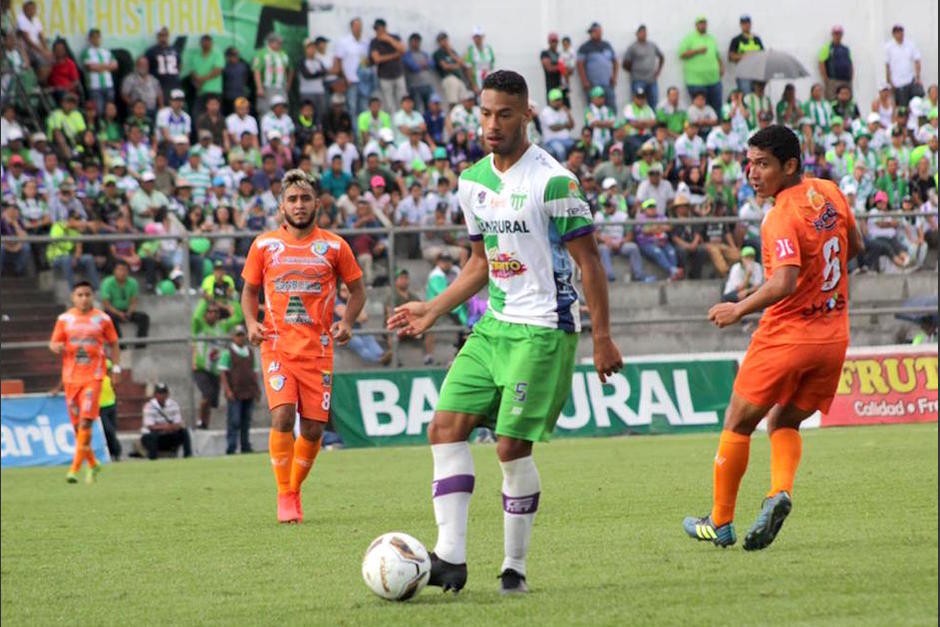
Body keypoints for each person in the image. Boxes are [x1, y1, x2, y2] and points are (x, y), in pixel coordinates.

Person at [387, 70, 622, 594]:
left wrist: (602, 336)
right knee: (444, 429)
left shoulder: (554, 181)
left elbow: (591, 264)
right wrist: (433, 308)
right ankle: (449, 557)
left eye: (505, 114)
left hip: (543, 329)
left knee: (510, 448)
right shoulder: (472, 181)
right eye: (486, 113)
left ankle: (513, 566)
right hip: (493, 326)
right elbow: (479, 262)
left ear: (527, 115)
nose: (493, 125)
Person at [683, 125, 864, 550]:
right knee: (784, 420)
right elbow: (854, 244)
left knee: (737, 422)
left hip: (786, 336)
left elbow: (783, 282)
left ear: (789, 166)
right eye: (749, 163)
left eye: (762, 164)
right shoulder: (831, 192)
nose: (752, 173)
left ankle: (720, 522)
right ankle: (779, 492)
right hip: (833, 337)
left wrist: (738, 307)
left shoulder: (780, 216)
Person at [241, 169, 365, 524]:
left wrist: (348, 322)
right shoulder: (264, 245)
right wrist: (251, 323)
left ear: (317, 204)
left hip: (318, 351)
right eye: (292, 199)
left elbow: (357, 290)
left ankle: (294, 488)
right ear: (282, 206)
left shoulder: (335, 246)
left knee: (313, 429)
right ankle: (284, 494)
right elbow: (249, 291)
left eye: (305, 198)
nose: (299, 205)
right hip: (277, 347)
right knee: (281, 415)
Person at [49, 280, 121, 483]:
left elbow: (114, 344)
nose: (84, 298)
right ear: (73, 297)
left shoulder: (102, 319)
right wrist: (56, 347)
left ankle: (73, 469)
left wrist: (116, 368)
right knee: (77, 428)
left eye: (87, 294)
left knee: (86, 421)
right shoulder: (64, 319)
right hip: (71, 378)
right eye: (79, 295)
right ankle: (92, 463)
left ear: (93, 296)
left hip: (94, 376)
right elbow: (54, 342)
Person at [218, 325, 260, 455]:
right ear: (233, 337)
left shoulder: (250, 352)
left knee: (246, 420)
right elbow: (223, 372)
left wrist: (257, 389)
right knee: (234, 420)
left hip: (248, 390)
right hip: (235, 392)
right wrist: (227, 390)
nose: (240, 338)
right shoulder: (228, 352)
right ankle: (231, 446)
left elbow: (255, 372)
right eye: (238, 335)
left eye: (242, 335)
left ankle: (245, 445)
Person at [679, 16, 723, 115]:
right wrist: (696, 51)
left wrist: (721, 66)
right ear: (696, 25)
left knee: (716, 108)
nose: (703, 26)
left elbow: (717, 55)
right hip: (696, 81)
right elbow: (681, 54)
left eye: (704, 23)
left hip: (713, 79)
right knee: (700, 109)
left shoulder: (711, 38)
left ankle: (717, 129)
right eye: (700, 23)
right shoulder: (689, 39)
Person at [99, 260, 150, 347]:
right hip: (112, 310)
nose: (122, 272)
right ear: (114, 271)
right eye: (120, 270)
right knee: (110, 319)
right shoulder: (107, 283)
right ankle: (120, 345)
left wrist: (129, 312)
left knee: (144, 318)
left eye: (125, 270)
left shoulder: (133, 283)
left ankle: (140, 345)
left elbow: (134, 301)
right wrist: (119, 314)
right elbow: (106, 304)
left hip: (126, 310)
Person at [140, 383, 193, 459]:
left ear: (167, 394)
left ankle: (188, 456)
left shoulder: (174, 404)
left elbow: (178, 423)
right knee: (152, 436)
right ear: (155, 395)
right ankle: (152, 458)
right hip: (154, 436)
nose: (162, 396)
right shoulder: (149, 406)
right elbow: (150, 426)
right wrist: (165, 427)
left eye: (164, 393)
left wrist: (170, 427)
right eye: (159, 393)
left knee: (184, 432)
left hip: (169, 434)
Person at [577, 22, 618, 109]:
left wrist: (614, 77)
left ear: (600, 32)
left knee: (611, 108)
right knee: (593, 109)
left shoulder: (607, 45)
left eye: (594, 31)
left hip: (607, 84)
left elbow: (615, 62)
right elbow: (580, 65)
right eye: (591, 32)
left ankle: (611, 123)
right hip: (592, 85)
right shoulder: (585, 47)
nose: (592, 34)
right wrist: (584, 81)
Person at [621, 25, 664, 109]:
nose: (643, 34)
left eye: (645, 33)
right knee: (638, 102)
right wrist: (634, 71)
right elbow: (625, 63)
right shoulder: (632, 47)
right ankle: (637, 120)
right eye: (641, 33)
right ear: (637, 34)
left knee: (654, 102)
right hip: (638, 80)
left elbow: (661, 57)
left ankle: (653, 121)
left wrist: (658, 71)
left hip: (651, 80)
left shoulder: (652, 45)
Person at [369, 18, 407, 113]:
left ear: (384, 28)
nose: (377, 31)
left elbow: (403, 50)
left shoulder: (395, 37)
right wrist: (395, 55)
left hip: (398, 74)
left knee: (403, 101)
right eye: (376, 29)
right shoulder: (374, 42)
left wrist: (389, 40)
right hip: (384, 77)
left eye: (379, 28)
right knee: (389, 105)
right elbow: (377, 59)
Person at [252, 32, 292, 116]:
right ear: (270, 42)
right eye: (278, 42)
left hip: (281, 87)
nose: (280, 44)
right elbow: (257, 71)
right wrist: (259, 87)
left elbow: (289, 69)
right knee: (266, 110)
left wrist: (288, 84)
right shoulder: (262, 53)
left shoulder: (283, 54)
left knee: (283, 109)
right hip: (267, 87)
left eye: (281, 43)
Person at [81, 28, 118, 115]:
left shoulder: (106, 52)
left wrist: (99, 66)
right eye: (94, 37)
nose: (96, 39)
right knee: (99, 111)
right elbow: (90, 67)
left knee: (110, 111)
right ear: (90, 39)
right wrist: (106, 66)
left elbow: (115, 66)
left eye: (98, 37)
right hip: (95, 87)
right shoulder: (86, 52)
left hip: (109, 85)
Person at [884, 25, 922, 108]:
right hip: (897, 82)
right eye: (897, 33)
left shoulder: (910, 45)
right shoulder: (888, 47)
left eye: (901, 33)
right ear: (893, 34)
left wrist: (918, 77)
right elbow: (887, 66)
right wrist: (889, 82)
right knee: (902, 107)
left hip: (910, 80)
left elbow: (917, 60)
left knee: (915, 104)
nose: (900, 35)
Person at [727, 15, 764, 94]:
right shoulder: (736, 40)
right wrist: (744, 56)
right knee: (746, 96)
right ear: (741, 25)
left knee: (758, 97)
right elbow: (730, 57)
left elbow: (763, 54)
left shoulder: (757, 39)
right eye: (744, 24)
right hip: (743, 74)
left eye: (747, 23)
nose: (746, 25)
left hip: (757, 74)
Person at [146, 27, 182, 103]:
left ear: (168, 36)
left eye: (165, 35)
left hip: (173, 83)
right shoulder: (151, 51)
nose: (163, 37)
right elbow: (147, 67)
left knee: (175, 104)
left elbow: (179, 64)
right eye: (161, 35)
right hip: (159, 84)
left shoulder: (175, 50)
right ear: (158, 37)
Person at [819, 26, 853, 101]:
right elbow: (821, 63)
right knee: (833, 100)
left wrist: (851, 77)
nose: (838, 36)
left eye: (839, 34)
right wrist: (826, 79)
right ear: (832, 35)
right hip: (833, 80)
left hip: (846, 80)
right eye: (836, 33)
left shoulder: (846, 49)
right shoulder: (827, 48)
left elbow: (850, 63)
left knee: (847, 100)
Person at [465, 26, 495, 94]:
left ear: (483, 37)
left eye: (480, 36)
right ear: (473, 37)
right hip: (477, 83)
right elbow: (468, 69)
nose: (478, 38)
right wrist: (473, 85)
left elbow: (492, 65)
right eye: (476, 36)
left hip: (489, 82)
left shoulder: (488, 48)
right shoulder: (470, 50)